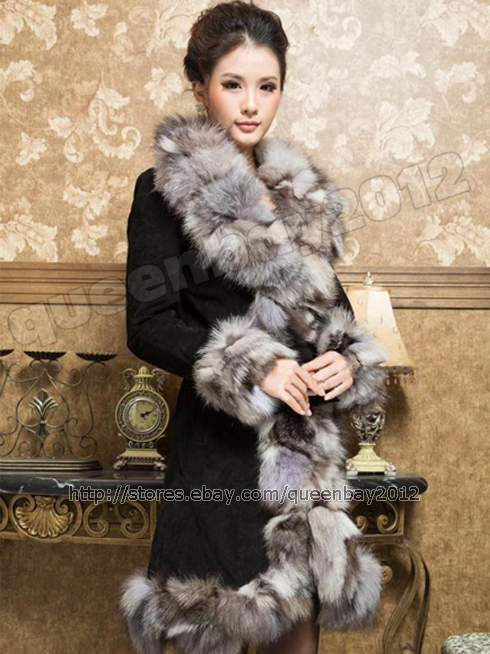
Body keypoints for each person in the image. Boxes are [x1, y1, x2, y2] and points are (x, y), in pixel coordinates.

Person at [119, 3, 388, 654]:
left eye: (266, 86)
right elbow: (148, 323)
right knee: (216, 627)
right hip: (219, 455)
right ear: (199, 87)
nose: (250, 104)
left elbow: (333, 312)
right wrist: (254, 365)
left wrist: (346, 358)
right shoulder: (163, 194)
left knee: (299, 635)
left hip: (303, 458)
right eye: (232, 84)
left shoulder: (301, 196)